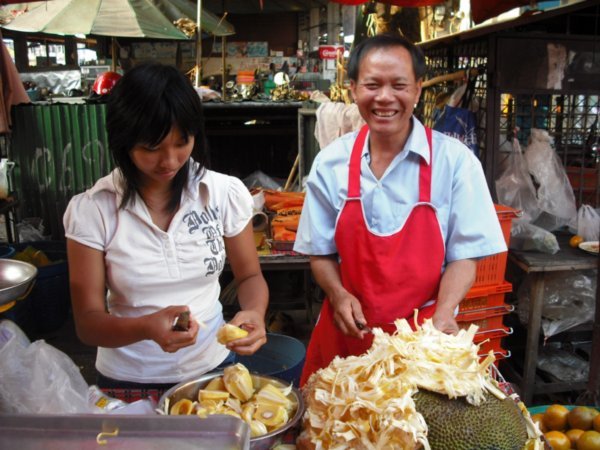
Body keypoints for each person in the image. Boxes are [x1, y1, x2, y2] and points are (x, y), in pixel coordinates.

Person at [294, 34, 506, 386]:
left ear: (418, 89)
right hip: (348, 335)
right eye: (372, 85)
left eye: (399, 85)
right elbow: (320, 252)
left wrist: (444, 313)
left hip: (423, 344)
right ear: (353, 89)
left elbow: (466, 255)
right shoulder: (330, 162)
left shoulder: (455, 163)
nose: (385, 98)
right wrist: (338, 293)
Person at [64, 63, 268, 389]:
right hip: (128, 379)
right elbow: (88, 324)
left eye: (181, 142)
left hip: (213, 367)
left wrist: (255, 313)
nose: (170, 161)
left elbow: (249, 276)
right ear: (124, 142)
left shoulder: (221, 193)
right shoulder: (92, 210)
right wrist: (146, 327)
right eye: (151, 147)